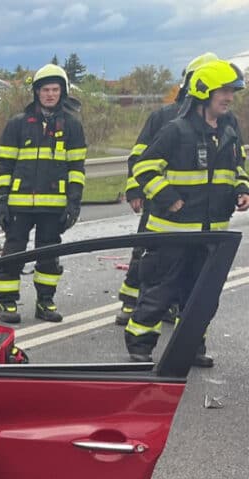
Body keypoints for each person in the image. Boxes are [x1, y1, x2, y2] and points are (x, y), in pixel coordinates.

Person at [126, 59, 249, 366]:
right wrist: (168, 197)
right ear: (204, 92)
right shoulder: (176, 131)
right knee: (160, 292)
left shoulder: (229, 131)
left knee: (201, 297)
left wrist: (242, 188)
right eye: (224, 91)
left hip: (212, 234)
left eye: (232, 92)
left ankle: (190, 346)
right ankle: (140, 346)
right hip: (172, 232)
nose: (229, 98)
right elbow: (143, 167)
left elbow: (238, 168)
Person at [116, 52, 219, 326]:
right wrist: (136, 191)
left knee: (184, 261)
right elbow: (139, 157)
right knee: (147, 254)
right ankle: (130, 302)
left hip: (194, 209)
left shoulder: (218, 120)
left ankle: (172, 306)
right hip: (159, 199)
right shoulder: (165, 116)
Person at [0, 64, 87, 324]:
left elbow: (76, 168)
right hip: (18, 206)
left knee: (48, 256)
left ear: (62, 92)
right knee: (13, 254)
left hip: (53, 207)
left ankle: (45, 301)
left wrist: (73, 203)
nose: (50, 94)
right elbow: (4, 167)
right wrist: (1, 202)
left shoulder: (72, 126)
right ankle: (7, 302)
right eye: (45, 89)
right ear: (36, 92)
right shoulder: (18, 124)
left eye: (55, 89)